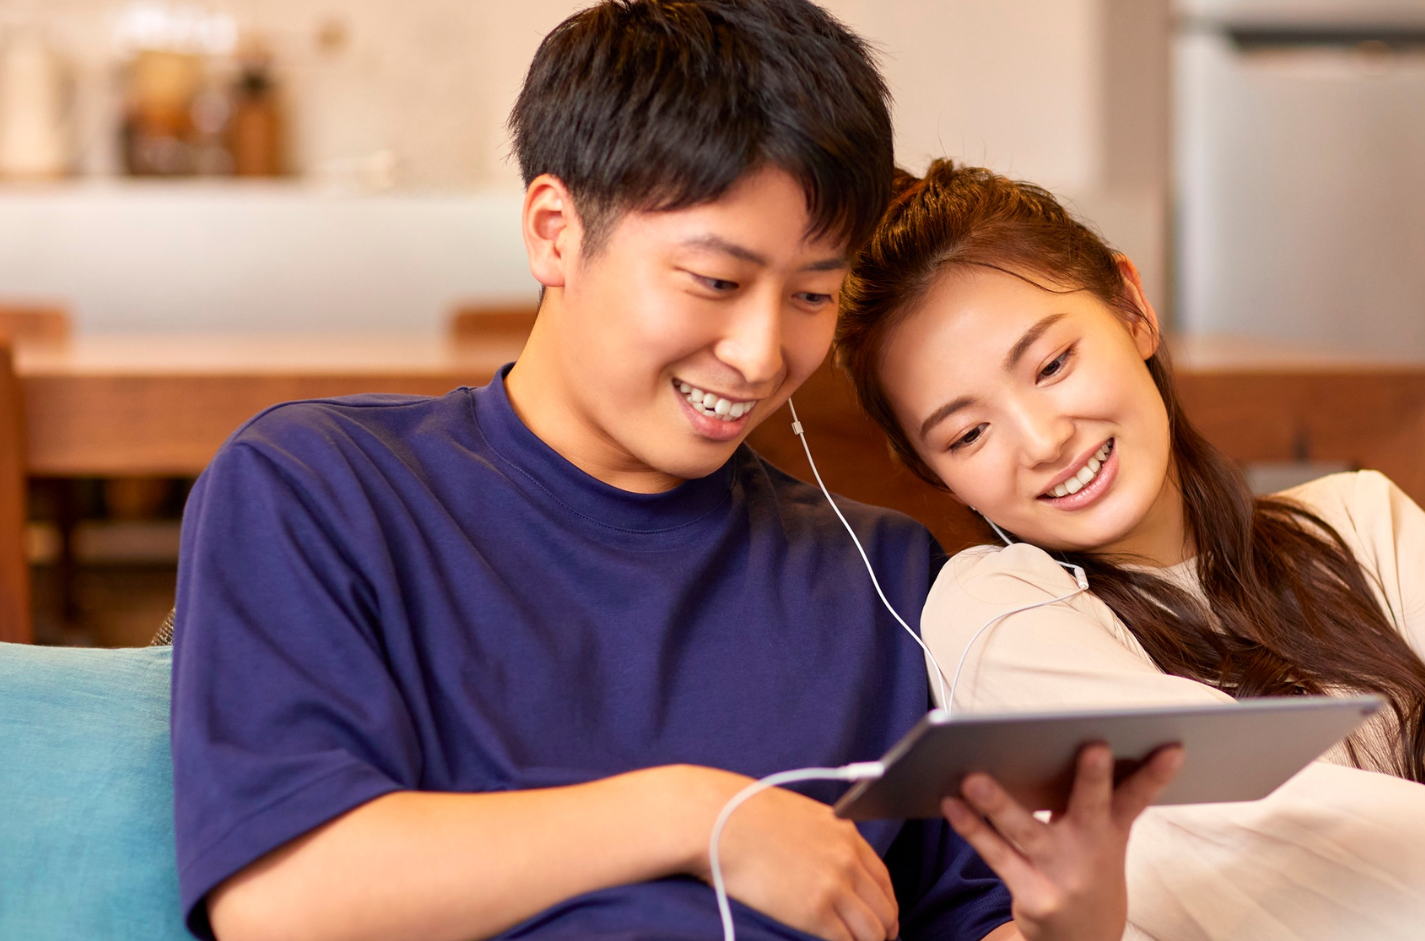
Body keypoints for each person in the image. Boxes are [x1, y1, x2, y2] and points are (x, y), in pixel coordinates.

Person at [170, 6, 1182, 941]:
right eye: (717, 281)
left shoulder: (884, 575)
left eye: (812, 295)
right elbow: (277, 897)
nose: (759, 353)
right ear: (554, 232)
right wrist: (698, 815)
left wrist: (1073, 918)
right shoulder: (321, 488)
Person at [834, 159, 1425, 940]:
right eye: (967, 433)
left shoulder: (1359, 520)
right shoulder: (992, 611)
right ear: (937, 476)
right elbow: (1237, 824)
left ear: (1132, 308)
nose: (1043, 441)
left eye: (1051, 364)